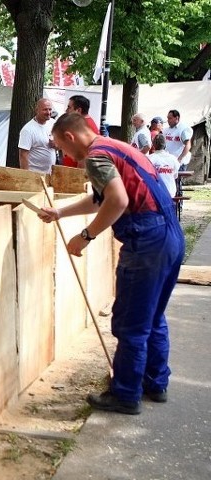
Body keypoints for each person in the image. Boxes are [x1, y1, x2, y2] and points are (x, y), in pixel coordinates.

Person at [37, 113, 184, 415]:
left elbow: (118, 201)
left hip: (147, 240)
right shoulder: (116, 148)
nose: (65, 155)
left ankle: (126, 394)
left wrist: (86, 235)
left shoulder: (95, 157)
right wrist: (60, 213)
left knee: (130, 322)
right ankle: (155, 383)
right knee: (152, 316)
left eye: (61, 148)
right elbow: (100, 199)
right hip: (169, 235)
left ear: (70, 137)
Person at [18, 98, 56, 174]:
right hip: (35, 174)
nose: (48, 112)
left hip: (51, 173)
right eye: (45, 109)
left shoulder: (53, 123)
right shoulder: (28, 130)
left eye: (50, 109)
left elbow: (60, 145)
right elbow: (23, 155)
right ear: (37, 110)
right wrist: (26, 176)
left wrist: (56, 145)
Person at [63, 95, 100, 167]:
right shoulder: (84, 123)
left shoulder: (84, 126)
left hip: (76, 174)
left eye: (69, 107)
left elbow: (84, 157)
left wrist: (78, 176)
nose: (66, 110)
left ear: (78, 110)